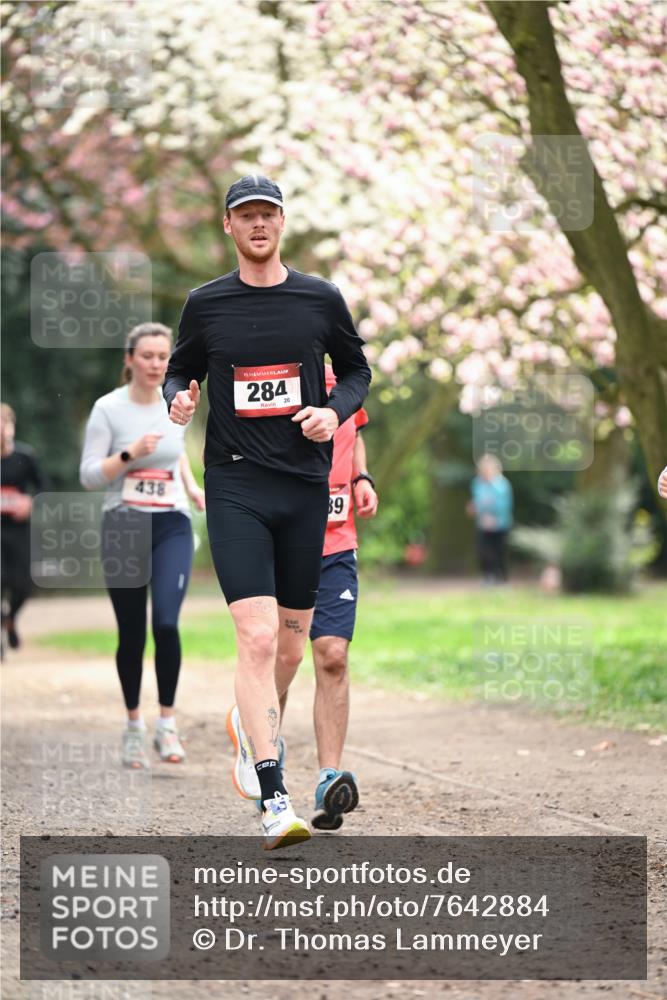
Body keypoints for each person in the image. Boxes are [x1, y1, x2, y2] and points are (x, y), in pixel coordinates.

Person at [163, 174, 371, 850]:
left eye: (268, 215)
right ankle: (274, 795)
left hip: (304, 488)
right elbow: (179, 368)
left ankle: (248, 726)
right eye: (245, 215)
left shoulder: (318, 299)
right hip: (235, 485)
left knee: (291, 644)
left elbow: (359, 370)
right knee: (255, 639)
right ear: (228, 225)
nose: (258, 225)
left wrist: (330, 411)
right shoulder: (205, 304)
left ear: (281, 224)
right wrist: (179, 398)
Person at [80, 323, 205, 769]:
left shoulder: (177, 405)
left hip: (171, 522)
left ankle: (166, 725)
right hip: (124, 525)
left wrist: (191, 487)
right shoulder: (107, 410)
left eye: (163, 357)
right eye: (147, 356)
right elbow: (90, 475)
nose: (156, 365)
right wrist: (130, 453)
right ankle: (134, 724)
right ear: (130, 359)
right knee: (132, 634)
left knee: (167, 623)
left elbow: (177, 451)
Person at [279, 363, 378, 831]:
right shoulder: (279, 374)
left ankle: (328, 779)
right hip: (283, 541)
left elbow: (354, 430)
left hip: (337, 542)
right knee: (283, 655)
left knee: (333, 654)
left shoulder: (347, 379)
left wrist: (362, 478)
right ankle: (263, 756)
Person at [1, 403, 48, 653]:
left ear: (12, 427)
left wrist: (30, 502)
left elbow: (43, 487)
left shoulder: (24, 457)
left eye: (5, 423)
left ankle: (10, 619)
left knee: (22, 586)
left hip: (19, 530)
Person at [467, 453, 513, 584]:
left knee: (499, 552)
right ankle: (487, 576)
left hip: (500, 524)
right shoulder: (477, 483)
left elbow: (504, 505)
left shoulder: (502, 485)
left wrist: (494, 518)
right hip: (483, 524)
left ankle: (501, 579)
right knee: (482, 551)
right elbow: (477, 502)